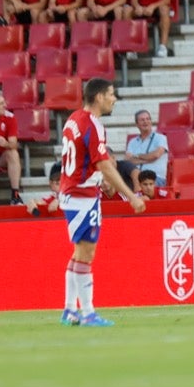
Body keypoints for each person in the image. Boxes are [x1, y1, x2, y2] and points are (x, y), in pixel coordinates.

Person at [57, 78, 144, 326]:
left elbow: (87, 161)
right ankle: (87, 313)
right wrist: (130, 196)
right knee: (87, 253)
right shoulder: (93, 125)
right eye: (111, 94)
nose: (114, 99)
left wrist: (96, 177)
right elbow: (105, 165)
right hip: (82, 195)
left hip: (71, 191)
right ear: (98, 97)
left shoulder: (74, 118)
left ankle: (68, 310)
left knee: (79, 252)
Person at [123, 109, 168, 185]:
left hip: (155, 178)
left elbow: (156, 155)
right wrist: (149, 159)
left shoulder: (161, 138)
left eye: (148, 119)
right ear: (137, 124)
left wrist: (137, 156)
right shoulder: (132, 142)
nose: (145, 121)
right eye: (142, 120)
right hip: (136, 178)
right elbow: (128, 161)